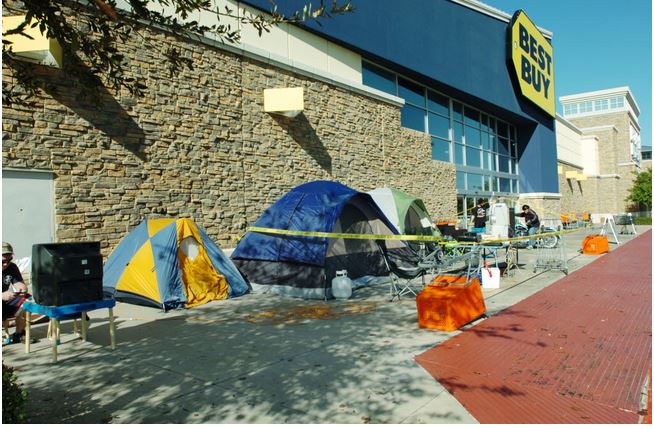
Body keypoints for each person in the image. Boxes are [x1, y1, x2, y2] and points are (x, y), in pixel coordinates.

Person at [2, 242, 29, 344]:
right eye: (3, 261)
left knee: (25, 302)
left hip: (6, 302)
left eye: (9, 260)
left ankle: (19, 333)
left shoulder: (12, 267)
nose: (6, 264)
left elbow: (19, 284)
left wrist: (22, 289)